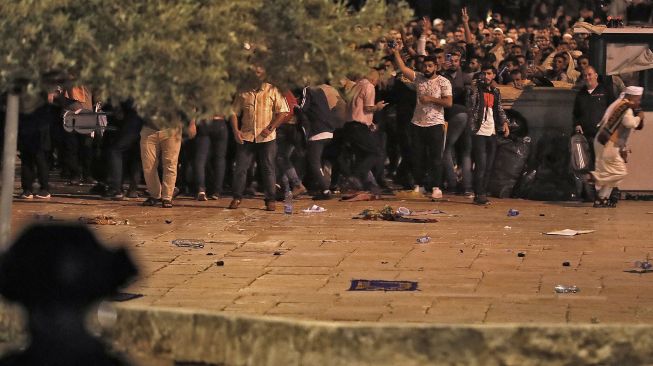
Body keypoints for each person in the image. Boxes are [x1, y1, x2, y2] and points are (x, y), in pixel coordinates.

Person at [392, 44, 453, 199]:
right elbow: (403, 69)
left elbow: (448, 103)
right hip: (417, 123)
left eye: (429, 66)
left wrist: (430, 99)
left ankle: (436, 187)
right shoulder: (418, 78)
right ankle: (419, 185)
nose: (426, 68)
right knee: (417, 156)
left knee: (435, 158)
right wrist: (396, 52)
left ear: (436, 67)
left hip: (435, 124)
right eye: (425, 66)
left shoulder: (443, 82)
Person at [229, 65, 290, 211]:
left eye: (258, 72)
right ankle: (237, 197)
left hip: (266, 138)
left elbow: (283, 112)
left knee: (268, 168)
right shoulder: (243, 91)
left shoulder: (273, 90)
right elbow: (233, 112)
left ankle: (270, 199)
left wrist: (270, 128)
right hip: (247, 136)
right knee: (241, 168)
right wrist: (235, 130)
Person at [592, 86, 645, 208]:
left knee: (614, 175)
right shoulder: (625, 107)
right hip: (608, 144)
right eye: (638, 99)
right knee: (620, 172)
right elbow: (630, 123)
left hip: (606, 142)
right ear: (632, 97)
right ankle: (595, 177)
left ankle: (602, 198)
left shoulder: (622, 105)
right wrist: (640, 117)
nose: (639, 102)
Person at [467, 64, 510, 205]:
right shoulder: (475, 90)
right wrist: (474, 88)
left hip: (491, 130)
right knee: (481, 164)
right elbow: (471, 105)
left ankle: (482, 192)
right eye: (484, 73)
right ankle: (479, 193)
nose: (486, 76)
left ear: (494, 75)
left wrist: (504, 123)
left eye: (489, 73)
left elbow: (499, 109)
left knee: (489, 165)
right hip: (478, 130)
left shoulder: (495, 91)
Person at [341, 69, 387, 194]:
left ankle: (367, 185)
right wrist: (378, 107)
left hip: (350, 126)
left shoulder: (356, 86)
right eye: (377, 81)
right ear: (374, 79)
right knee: (375, 152)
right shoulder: (369, 86)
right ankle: (355, 177)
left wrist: (369, 122)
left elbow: (357, 109)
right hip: (358, 127)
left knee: (362, 156)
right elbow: (368, 107)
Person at [297, 83, 346, 200]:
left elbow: (303, 107)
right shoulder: (320, 91)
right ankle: (324, 186)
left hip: (317, 131)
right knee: (321, 160)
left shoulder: (307, 90)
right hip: (328, 130)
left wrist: (295, 107)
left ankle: (325, 189)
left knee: (314, 162)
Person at [140, 112, 186, 208]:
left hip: (172, 129)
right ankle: (155, 195)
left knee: (170, 163)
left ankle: (167, 197)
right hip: (149, 129)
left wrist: (192, 123)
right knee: (148, 165)